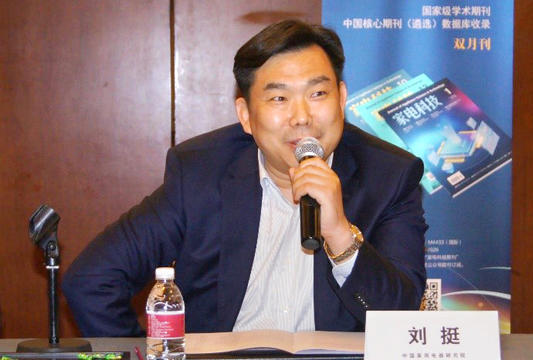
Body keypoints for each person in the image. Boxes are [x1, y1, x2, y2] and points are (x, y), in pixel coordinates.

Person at [62, 19, 428, 337]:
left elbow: (402, 322)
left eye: (318, 94)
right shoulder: (201, 172)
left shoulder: (390, 176)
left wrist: (340, 234)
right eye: (279, 99)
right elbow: (91, 281)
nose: (302, 117)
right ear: (246, 116)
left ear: (342, 98)